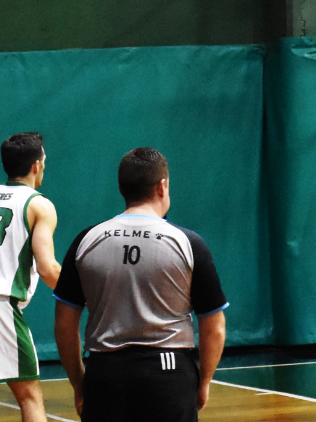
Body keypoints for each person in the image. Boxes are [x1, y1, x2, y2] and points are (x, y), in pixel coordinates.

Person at [53, 147, 227, 422]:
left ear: (122, 188)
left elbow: (64, 322)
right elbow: (213, 324)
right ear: (162, 186)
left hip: (104, 374)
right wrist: (204, 380)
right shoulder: (188, 243)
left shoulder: (86, 240)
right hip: (169, 374)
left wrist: (79, 383)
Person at [0, 133, 60, 422]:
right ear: (36, 166)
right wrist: (88, 297)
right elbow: (48, 268)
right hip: (2, 308)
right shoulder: (39, 205)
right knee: (30, 396)